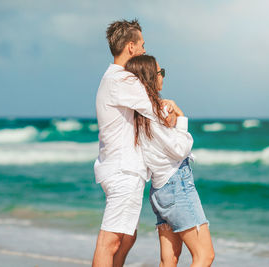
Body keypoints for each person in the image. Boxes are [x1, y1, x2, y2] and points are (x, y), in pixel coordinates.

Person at [92, 20, 176, 267]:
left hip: (120, 168)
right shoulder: (123, 81)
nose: (144, 51)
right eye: (141, 45)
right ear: (130, 46)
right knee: (110, 240)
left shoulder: (114, 79)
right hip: (123, 170)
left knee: (127, 236)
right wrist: (173, 111)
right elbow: (158, 113)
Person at [125, 55, 215, 267]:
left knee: (168, 260)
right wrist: (181, 117)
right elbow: (179, 150)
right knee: (204, 255)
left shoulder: (136, 114)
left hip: (159, 189)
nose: (163, 77)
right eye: (160, 73)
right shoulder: (153, 113)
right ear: (149, 78)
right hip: (176, 186)